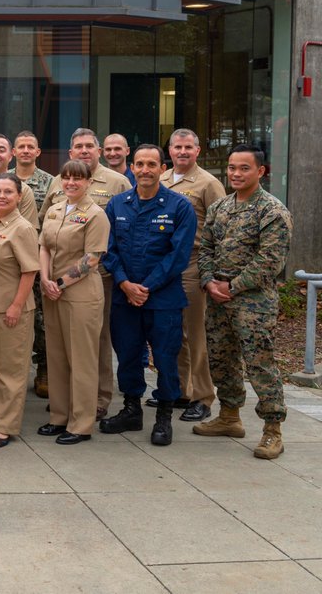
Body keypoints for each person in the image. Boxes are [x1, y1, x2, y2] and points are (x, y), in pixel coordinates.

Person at [193, 145, 293, 460]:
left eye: (244, 168)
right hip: (219, 296)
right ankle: (229, 416)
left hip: (253, 301)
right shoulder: (220, 207)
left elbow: (270, 261)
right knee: (221, 360)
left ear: (261, 171)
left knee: (259, 363)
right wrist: (209, 281)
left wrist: (232, 287)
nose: (235, 174)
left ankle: (272, 430)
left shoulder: (272, 211)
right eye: (232, 167)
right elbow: (205, 247)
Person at [99, 145, 195, 446]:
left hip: (163, 299)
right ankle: (131, 409)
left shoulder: (179, 207)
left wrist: (146, 287)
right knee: (127, 355)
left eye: (151, 164)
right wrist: (126, 284)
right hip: (124, 297)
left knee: (165, 359)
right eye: (139, 164)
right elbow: (108, 249)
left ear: (161, 168)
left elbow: (178, 256)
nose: (144, 170)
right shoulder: (117, 205)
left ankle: (164, 415)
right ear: (133, 167)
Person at [39, 128, 131, 419]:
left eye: (89, 146)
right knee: (59, 346)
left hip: (98, 276)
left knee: (95, 343)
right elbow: (45, 229)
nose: (84, 150)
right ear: (70, 152)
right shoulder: (57, 185)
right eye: (78, 146)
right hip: (54, 282)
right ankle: (63, 405)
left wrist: (64, 280)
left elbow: (124, 230)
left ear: (99, 150)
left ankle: (97, 400)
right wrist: (47, 279)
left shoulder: (117, 183)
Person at [37, 160, 109, 445]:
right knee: (56, 356)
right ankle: (59, 416)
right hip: (52, 290)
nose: (71, 183)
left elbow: (92, 258)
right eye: (66, 178)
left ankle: (80, 423)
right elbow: (43, 246)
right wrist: (45, 279)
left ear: (88, 181)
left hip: (80, 295)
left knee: (82, 360)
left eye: (77, 179)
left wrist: (61, 283)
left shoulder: (95, 215)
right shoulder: (55, 209)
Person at [158, 128, 226, 422]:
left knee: (195, 333)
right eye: (177, 147)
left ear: (197, 151)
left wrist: (214, 273)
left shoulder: (208, 184)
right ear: (169, 150)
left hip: (192, 264)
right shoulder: (160, 180)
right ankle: (180, 391)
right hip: (163, 266)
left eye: (188, 147)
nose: (182, 152)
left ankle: (203, 396)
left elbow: (221, 230)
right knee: (174, 332)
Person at [0, 173, 39, 448]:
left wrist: (16, 305)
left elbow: (30, 270)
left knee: (9, 370)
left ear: (19, 196)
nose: (1, 196)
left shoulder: (22, 227)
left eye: (8, 192)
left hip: (10, 308)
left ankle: (5, 425)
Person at [10, 130, 55, 399]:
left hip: (36, 259)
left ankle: (44, 369)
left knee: (41, 319)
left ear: (38, 152)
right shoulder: (5, 180)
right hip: (5, 260)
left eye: (31, 147)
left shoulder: (50, 182)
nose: (26, 151)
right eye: (21, 147)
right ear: (13, 152)